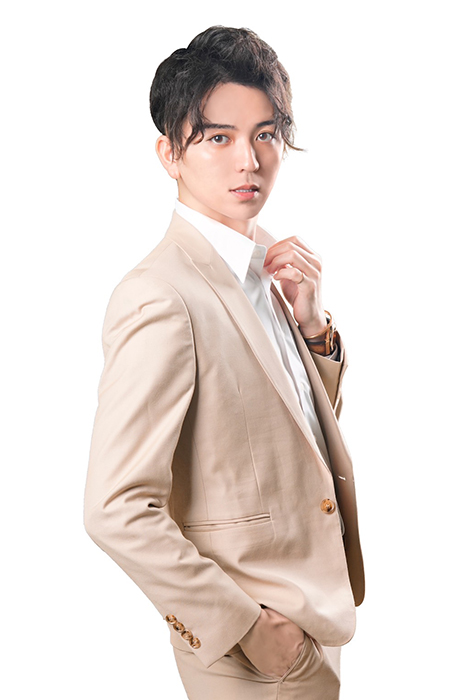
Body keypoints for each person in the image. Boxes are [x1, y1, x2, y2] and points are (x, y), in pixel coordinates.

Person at [84, 25, 364, 699]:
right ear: (170, 154)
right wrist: (243, 626)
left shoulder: (266, 267)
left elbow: (283, 439)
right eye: (218, 138)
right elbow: (115, 507)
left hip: (315, 615)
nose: (249, 160)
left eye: (265, 134)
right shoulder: (160, 296)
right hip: (252, 652)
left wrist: (313, 330)